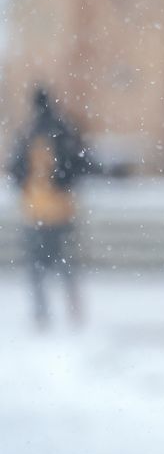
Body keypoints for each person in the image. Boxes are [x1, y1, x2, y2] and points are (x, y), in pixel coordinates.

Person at [8, 86, 96, 329]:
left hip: (34, 209)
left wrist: (28, 186)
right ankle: (74, 311)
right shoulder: (65, 129)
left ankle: (41, 314)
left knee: (36, 267)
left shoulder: (27, 132)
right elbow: (82, 163)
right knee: (66, 265)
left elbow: (15, 168)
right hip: (62, 209)